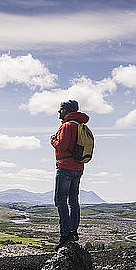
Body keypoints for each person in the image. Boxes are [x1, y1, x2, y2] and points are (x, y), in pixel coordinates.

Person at [50, 100, 89, 250]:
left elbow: (62, 145)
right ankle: (73, 232)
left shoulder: (67, 126)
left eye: (61, 110)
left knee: (60, 200)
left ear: (67, 110)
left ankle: (65, 234)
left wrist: (53, 140)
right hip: (78, 169)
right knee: (73, 200)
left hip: (65, 167)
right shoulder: (80, 125)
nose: (59, 112)